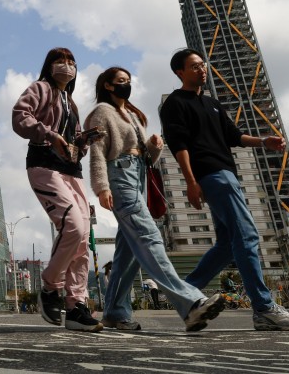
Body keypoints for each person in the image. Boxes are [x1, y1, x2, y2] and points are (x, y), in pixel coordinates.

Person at [159, 48, 289, 331]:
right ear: (179, 72)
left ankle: (185, 293)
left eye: (202, 65)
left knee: (228, 244)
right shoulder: (174, 104)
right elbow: (178, 145)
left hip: (228, 173)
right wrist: (191, 182)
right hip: (212, 174)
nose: (201, 69)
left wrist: (263, 141)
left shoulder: (213, 103)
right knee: (247, 235)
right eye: (194, 66)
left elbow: (233, 136)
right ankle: (264, 308)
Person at [86, 66, 226, 331]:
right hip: (120, 178)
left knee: (128, 253)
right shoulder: (101, 112)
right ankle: (190, 304)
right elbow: (97, 151)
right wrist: (102, 186)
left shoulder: (131, 113)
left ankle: (115, 311)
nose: (126, 84)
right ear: (107, 85)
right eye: (120, 81)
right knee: (149, 237)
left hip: (137, 177)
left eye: (128, 80)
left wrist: (153, 147)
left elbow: (144, 158)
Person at [12, 47, 100, 332]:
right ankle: (50, 287)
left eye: (71, 61)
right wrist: (49, 136)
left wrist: (84, 139)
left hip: (72, 172)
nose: (67, 66)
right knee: (72, 225)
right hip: (44, 167)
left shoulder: (70, 103)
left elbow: (72, 142)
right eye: (60, 61)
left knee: (83, 239)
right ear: (49, 66)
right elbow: (20, 116)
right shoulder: (41, 89)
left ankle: (76, 306)